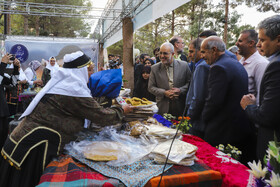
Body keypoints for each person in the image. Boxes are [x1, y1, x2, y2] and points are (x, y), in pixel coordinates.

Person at [0, 51, 134, 187]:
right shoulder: (72, 89)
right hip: (33, 150)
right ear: (79, 70)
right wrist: (121, 110)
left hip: (28, 142)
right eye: (89, 70)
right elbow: (101, 116)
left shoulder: (65, 85)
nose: (91, 74)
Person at [201, 36, 256, 165]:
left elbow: (213, 102)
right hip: (238, 128)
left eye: (203, 51)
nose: (202, 56)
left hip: (223, 130)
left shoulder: (218, 67)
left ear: (214, 50)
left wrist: (203, 119)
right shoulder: (234, 63)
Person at [240, 15, 280, 161]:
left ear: (278, 40)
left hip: (273, 148)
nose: (260, 45)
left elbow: (267, 116)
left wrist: (249, 106)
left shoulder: (275, 65)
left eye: (263, 40)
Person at [148, 42, 191, 117]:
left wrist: (180, 90)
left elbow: (190, 84)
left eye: (165, 53)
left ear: (173, 54)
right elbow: (151, 87)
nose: (162, 56)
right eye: (160, 53)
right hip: (162, 108)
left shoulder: (184, 66)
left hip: (180, 108)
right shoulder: (154, 68)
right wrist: (164, 93)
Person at [236, 29, 268, 105]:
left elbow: (261, 95)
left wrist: (254, 114)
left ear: (251, 43)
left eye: (240, 41)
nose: (236, 44)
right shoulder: (241, 62)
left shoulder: (260, 64)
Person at [185, 38, 210, 139]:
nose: (189, 55)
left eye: (191, 51)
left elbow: (198, 97)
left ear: (200, 51)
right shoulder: (200, 65)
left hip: (197, 120)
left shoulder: (202, 67)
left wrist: (189, 115)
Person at [0, 54, 20, 148]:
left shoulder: (2, 72)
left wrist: (16, 68)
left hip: (3, 111)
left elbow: (13, 83)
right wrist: (3, 64)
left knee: (3, 138)